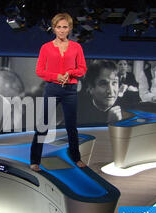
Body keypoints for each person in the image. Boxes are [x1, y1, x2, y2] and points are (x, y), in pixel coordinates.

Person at [30, 13, 87, 171]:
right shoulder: (46, 48)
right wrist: (56, 76)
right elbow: (40, 71)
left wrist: (71, 73)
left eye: (65, 27)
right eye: (59, 27)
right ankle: (35, 160)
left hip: (70, 90)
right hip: (53, 88)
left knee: (71, 126)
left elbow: (82, 69)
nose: (62, 30)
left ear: (70, 29)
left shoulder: (77, 47)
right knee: (43, 125)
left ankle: (76, 158)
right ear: (54, 28)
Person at [78, 60, 123, 125]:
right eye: (103, 84)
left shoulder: (128, 110)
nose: (110, 91)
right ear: (91, 88)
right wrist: (111, 124)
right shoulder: (79, 115)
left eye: (114, 83)